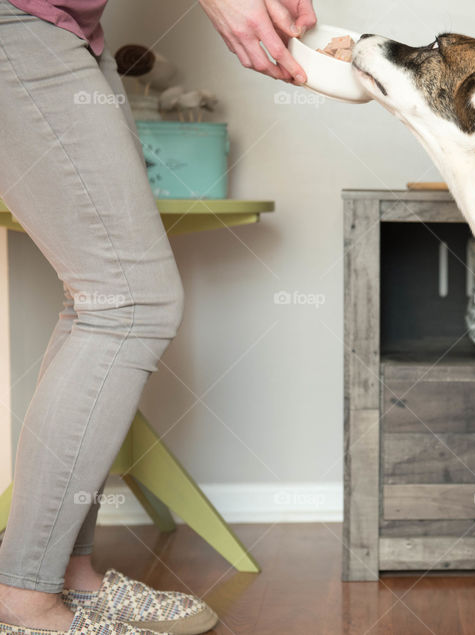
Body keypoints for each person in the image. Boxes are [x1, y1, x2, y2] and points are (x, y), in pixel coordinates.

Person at [0, 0, 316, 632]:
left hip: (68, 26)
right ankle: (24, 603)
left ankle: (68, 576)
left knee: (101, 300)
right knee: (127, 302)